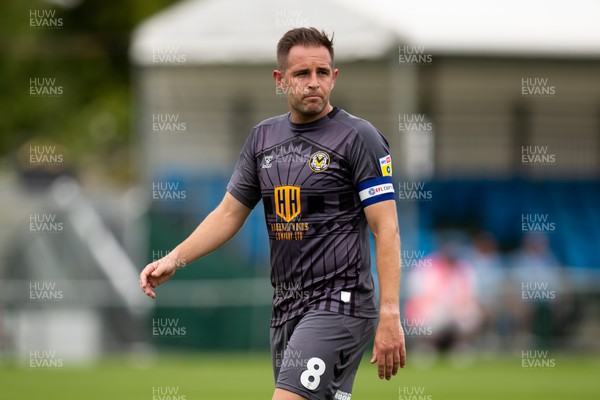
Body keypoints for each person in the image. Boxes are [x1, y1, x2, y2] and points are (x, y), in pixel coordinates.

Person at [140, 27, 405, 400]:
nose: (314, 83)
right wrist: (174, 258)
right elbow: (229, 213)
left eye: (322, 73)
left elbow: (387, 229)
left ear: (334, 76)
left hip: (339, 304)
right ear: (280, 80)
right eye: (302, 74)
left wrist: (391, 312)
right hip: (285, 308)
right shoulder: (262, 139)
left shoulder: (359, 137)